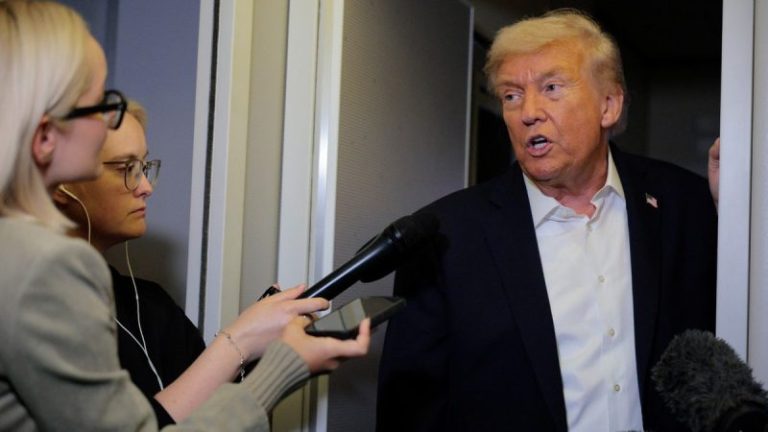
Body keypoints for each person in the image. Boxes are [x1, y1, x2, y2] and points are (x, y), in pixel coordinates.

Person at [0, 1, 368, 430]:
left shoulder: (139, 301)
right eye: (99, 104)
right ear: (45, 136)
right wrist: (279, 367)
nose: (107, 122)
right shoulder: (47, 268)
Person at [377, 9, 717, 432]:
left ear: (609, 105)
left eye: (551, 88)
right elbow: (410, 410)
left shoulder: (689, 204)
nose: (528, 112)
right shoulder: (444, 237)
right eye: (511, 95)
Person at [55, 100, 333, 425]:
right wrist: (239, 339)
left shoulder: (152, 305)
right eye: (127, 169)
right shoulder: (42, 310)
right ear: (62, 182)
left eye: (144, 167)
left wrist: (263, 350)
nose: (146, 187)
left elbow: (211, 415)